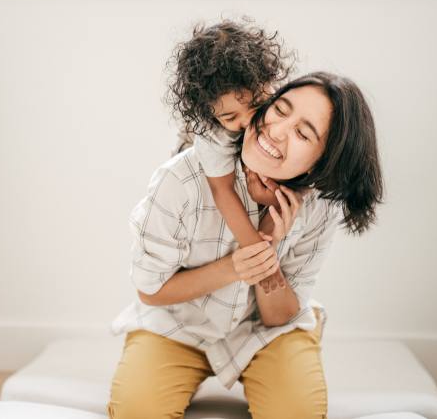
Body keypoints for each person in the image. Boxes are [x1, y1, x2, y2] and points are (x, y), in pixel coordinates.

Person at [107, 72, 384, 419]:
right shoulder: (182, 178)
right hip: (176, 323)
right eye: (280, 109)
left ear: (322, 162)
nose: (277, 130)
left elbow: (278, 316)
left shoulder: (319, 207)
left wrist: (269, 238)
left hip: (264, 331)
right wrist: (236, 264)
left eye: (302, 133)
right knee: (137, 412)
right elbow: (150, 291)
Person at [165, 19, 296, 294]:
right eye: (230, 116)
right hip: (199, 160)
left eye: (257, 105)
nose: (249, 121)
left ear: (269, 82)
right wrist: (260, 259)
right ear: (211, 115)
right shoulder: (212, 133)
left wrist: (268, 199)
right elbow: (222, 191)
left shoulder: (286, 104)